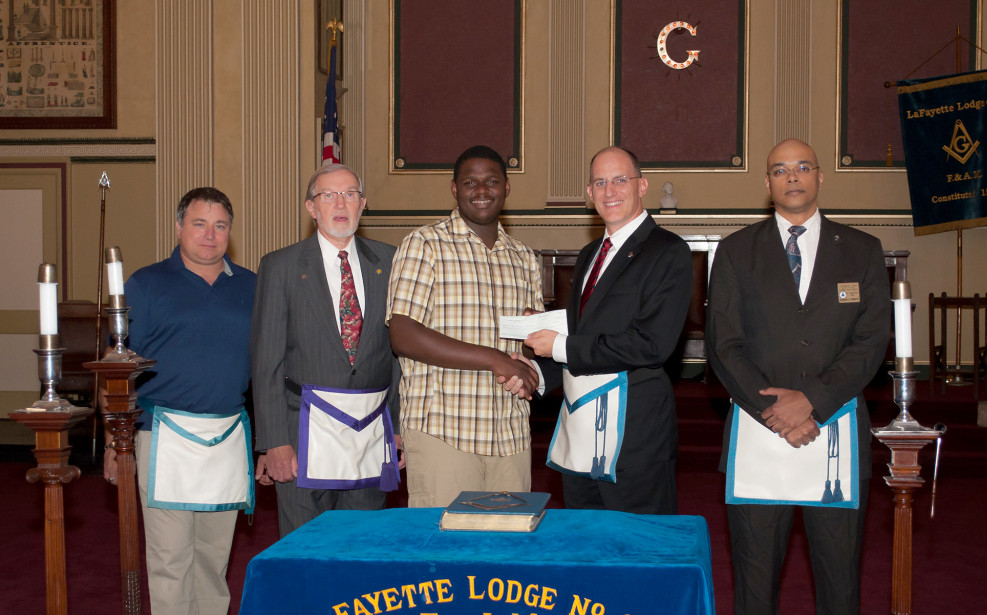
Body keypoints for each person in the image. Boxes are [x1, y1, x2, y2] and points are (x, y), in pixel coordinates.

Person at [706, 139, 890, 615]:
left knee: (840, 584)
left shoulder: (861, 250)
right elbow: (723, 345)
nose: (792, 177)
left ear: (820, 177)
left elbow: (870, 343)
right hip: (758, 435)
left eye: (803, 167)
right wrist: (776, 412)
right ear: (767, 182)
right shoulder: (736, 252)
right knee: (754, 587)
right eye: (780, 169)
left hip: (835, 438)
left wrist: (813, 400)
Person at [103, 187, 257, 615]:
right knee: (170, 561)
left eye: (219, 225)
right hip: (160, 435)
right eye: (199, 223)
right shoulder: (146, 285)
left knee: (213, 561)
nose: (209, 235)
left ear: (229, 230)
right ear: (178, 228)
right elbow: (116, 368)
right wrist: (111, 439)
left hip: (226, 436)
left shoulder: (252, 288)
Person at [524, 146, 692, 514]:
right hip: (579, 431)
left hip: (634, 438)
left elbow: (652, 345)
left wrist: (561, 346)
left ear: (641, 185)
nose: (609, 191)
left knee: (637, 552)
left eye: (620, 180)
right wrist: (534, 374)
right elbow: (584, 332)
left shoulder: (668, 251)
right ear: (589, 193)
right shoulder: (588, 255)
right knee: (586, 549)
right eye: (600, 182)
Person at [387, 144, 544, 507]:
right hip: (445, 429)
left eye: (491, 181)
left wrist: (530, 368)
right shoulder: (424, 244)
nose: (481, 190)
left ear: (507, 188)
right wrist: (493, 359)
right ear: (454, 189)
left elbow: (528, 341)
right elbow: (403, 334)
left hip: (509, 430)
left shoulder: (523, 257)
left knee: (506, 552)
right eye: (470, 182)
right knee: (448, 553)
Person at [251, 164, 402, 537]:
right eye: (328, 195)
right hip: (302, 435)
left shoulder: (391, 261)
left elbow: (400, 354)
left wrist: (398, 428)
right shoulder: (281, 266)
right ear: (311, 208)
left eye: (350, 194)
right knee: (306, 553)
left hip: (371, 435)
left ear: (362, 204)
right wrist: (274, 443)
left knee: (363, 549)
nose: (340, 203)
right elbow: (266, 361)